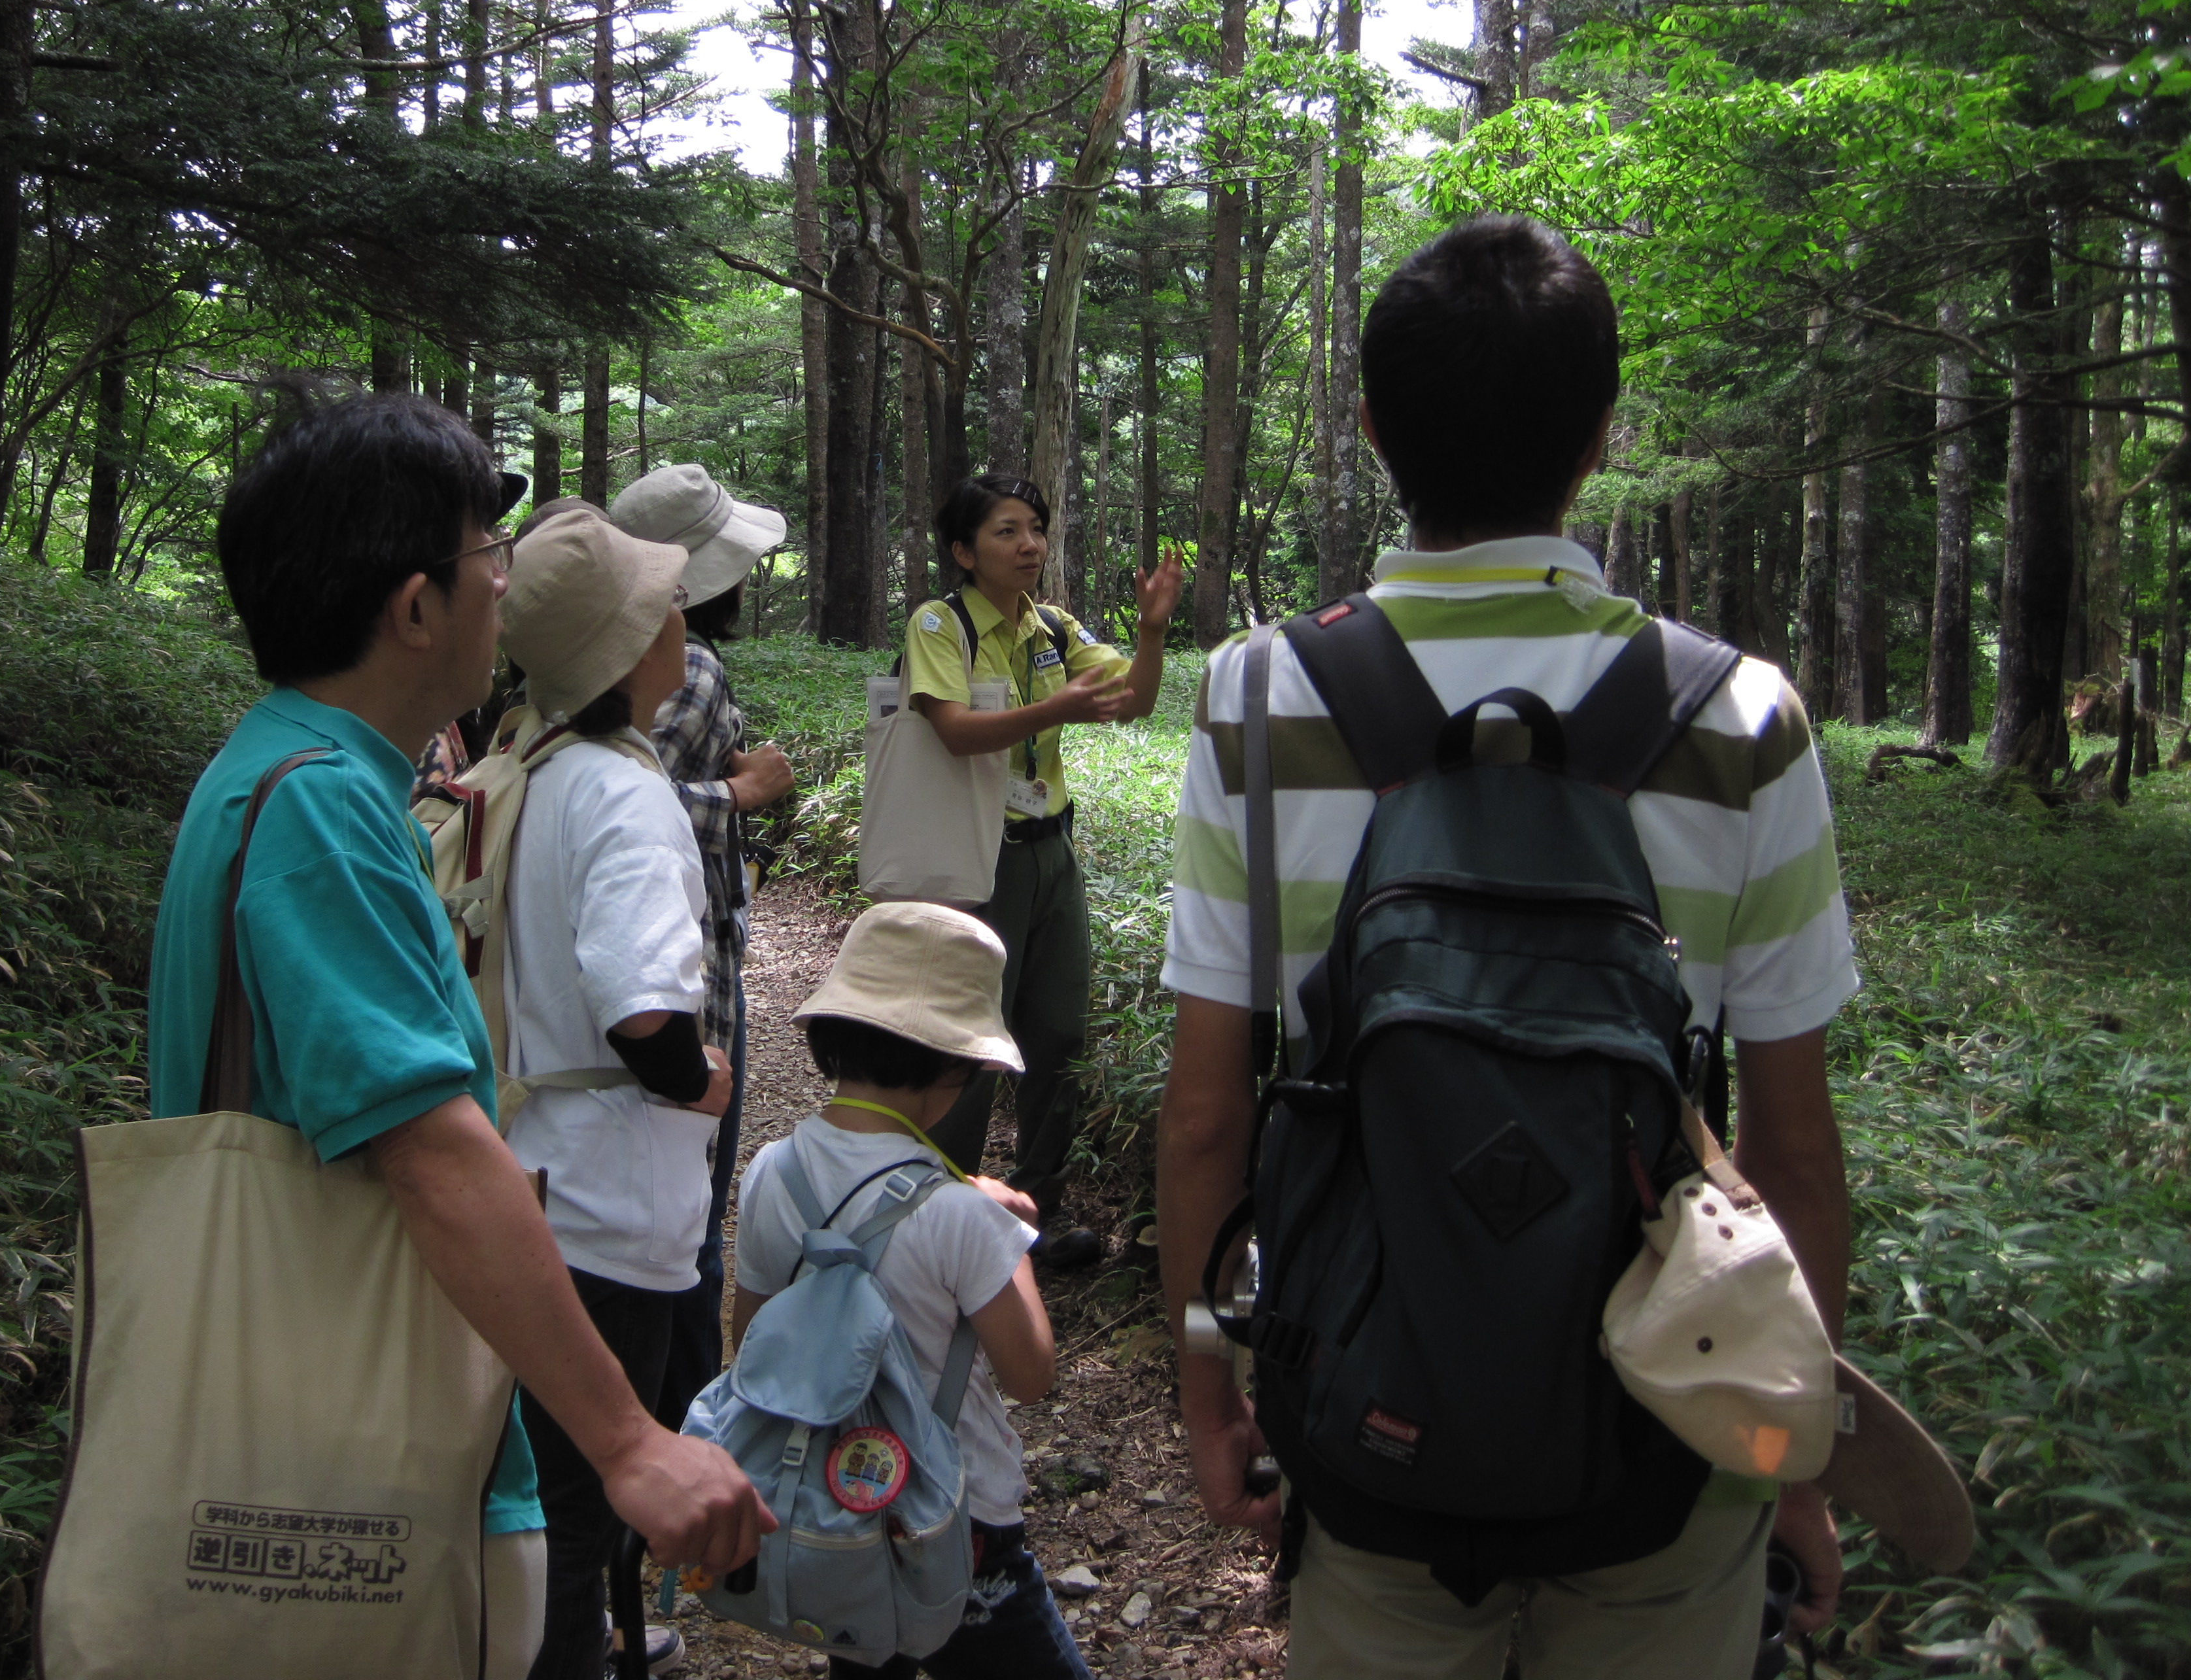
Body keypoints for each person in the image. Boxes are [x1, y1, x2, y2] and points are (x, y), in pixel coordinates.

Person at [1155, 216, 1857, 1678]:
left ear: (1366, 427)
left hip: (1367, 1408)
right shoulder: (1740, 718)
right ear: (1600, 438)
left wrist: (1206, 1374)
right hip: (1671, 1424)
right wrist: (1790, 1449)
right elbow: (1789, 1148)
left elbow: (1209, 1109)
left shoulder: (1256, 696)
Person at [146, 394, 768, 1678]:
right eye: (488, 557)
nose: (504, 589)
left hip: (294, 1395)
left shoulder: (276, 770)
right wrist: (627, 1439)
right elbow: (428, 1150)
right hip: (343, 1434)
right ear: (415, 606)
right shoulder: (325, 813)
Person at [492, 510, 742, 1680]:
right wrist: (702, 1082)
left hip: (528, 1178)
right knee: (578, 1533)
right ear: (631, 644)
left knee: (542, 1508)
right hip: (609, 1216)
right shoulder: (629, 798)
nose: (681, 628)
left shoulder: (525, 768)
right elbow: (644, 1012)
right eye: (665, 610)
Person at [730, 900, 1090, 1680]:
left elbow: (749, 1348)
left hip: (836, 1505)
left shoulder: (769, 1174)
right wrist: (1012, 1237)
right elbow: (1031, 1375)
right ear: (958, 1068)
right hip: (959, 1526)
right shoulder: (963, 1215)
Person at [905, 475, 1182, 1269]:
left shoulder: (1053, 626)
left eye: (1034, 529)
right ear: (963, 551)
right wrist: (1053, 712)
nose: (1028, 545)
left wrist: (1154, 633)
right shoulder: (940, 623)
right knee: (968, 1042)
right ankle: (944, 1214)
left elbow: (1132, 700)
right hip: (975, 861)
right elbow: (955, 731)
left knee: (1057, 1036)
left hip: (1051, 856)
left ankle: (1037, 1209)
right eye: (1005, 531)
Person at [608, 462, 797, 1434]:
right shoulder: (691, 665)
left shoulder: (581, 656)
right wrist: (743, 794)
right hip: (689, 993)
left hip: (620, 991)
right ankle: (690, 1440)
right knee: (694, 1231)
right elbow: (628, 802)